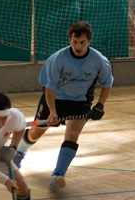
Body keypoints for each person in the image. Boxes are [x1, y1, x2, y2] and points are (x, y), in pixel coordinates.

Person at [13, 21, 113, 190]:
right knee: (36, 133)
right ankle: (20, 153)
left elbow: (107, 84)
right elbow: (49, 88)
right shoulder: (58, 59)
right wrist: (52, 112)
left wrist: (100, 105)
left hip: (80, 101)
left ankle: (58, 175)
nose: (78, 46)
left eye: (82, 42)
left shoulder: (99, 61)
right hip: (54, 99)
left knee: (73, 134)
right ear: (70, 40)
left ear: (89, 41)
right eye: (74, 42)